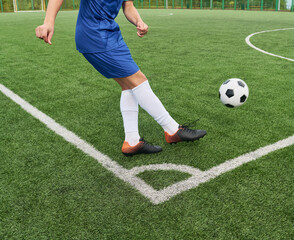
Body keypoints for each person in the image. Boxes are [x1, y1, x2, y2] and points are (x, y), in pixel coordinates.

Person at [35, 0, 206, 156]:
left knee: (129, 86)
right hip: (95, 36)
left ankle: (131, 141)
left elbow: (128, 5)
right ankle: (172, 130)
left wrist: (138, 21)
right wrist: (49, 22)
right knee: (138, 81)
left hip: (111, 35)